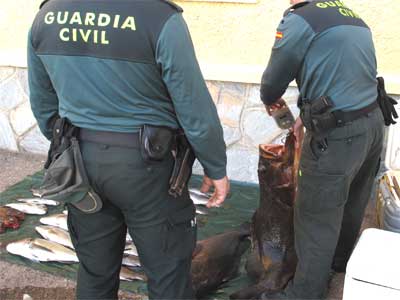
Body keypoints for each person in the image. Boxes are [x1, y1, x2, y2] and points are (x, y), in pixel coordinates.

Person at [28, 0, 229, 299]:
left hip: (79, 163)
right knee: (167, 275)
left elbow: (43, 102)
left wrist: (69, 150)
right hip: (146, 168)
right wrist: (215, 166)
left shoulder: (48, 15)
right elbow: (193, 105)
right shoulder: (158, 16)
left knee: (95, 273)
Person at [260, 0, 384, 299]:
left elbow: (272, 84)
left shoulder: (300, 20)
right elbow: (343, 75)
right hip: (373, 122)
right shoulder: (348, 14)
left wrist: (270, 98)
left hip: (337, 136)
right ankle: (339, 264)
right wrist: (306, 115)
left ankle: (304, 293)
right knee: (353, 200)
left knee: (315, 216)